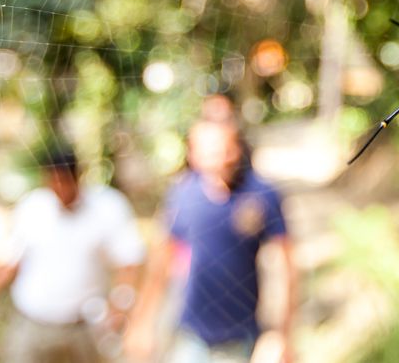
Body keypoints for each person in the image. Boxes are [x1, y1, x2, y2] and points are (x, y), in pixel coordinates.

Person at [0, 144, 146, 363]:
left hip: (84, 328)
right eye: (54, 180)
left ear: (78, 175)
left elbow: (129, 261)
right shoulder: (32, 208)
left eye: (65, 180)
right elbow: (7, 267)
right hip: (32, 324)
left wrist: (121, 305)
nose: (60, 188)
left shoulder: (107, 207)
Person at [125, 114, 296, 363]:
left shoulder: (260, 194)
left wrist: (281, 335)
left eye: (224, 149)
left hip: (241, 338)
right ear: (193, 156)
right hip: (191, 336)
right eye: (208, 150)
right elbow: (161, 264)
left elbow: (286, 267)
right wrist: (142, 322)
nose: (219, 158)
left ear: (236, 149)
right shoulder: (182, 195)